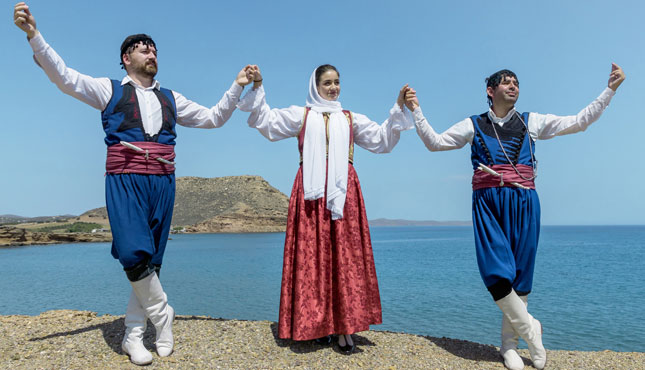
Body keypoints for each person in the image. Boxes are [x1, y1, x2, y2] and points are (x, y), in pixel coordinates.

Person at [13, 2, 257, 366]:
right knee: (132, 253)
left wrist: (236, 87)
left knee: (152, 261)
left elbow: (212, 119)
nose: (152, 52)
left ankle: (132, 334)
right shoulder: (107, 89)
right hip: (125, 178)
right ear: (126, 58)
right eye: (144, 48)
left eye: (155, 49)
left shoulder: (173, 98)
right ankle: (163, 315)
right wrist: (34, 36)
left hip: (163, 181)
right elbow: (63, 76)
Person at [408, 64, 625, 369]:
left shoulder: (531, 122)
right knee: (496, 273)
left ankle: (509, 346)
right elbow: (435, 142)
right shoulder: (473, 125)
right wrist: (416, 109)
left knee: (521, 276)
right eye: (506, 83)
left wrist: (610, 89)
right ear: (490, 90)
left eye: (516, 83)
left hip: (524, 200)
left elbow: (579, 122)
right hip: (488, 203)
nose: (513, 87)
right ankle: (532, 333)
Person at [237, 65, 416, 354]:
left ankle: (345, 328)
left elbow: (382, 140)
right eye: (327, 83)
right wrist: (258, 84)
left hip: (344, 191)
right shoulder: (302, 115)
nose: (333, 88)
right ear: (315, 86)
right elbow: (267, 123)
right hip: (311, 192)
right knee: (313, 257)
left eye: (336, 83)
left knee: (345, 257)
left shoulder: (350, 118)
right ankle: (315, 325)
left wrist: (398, 106)